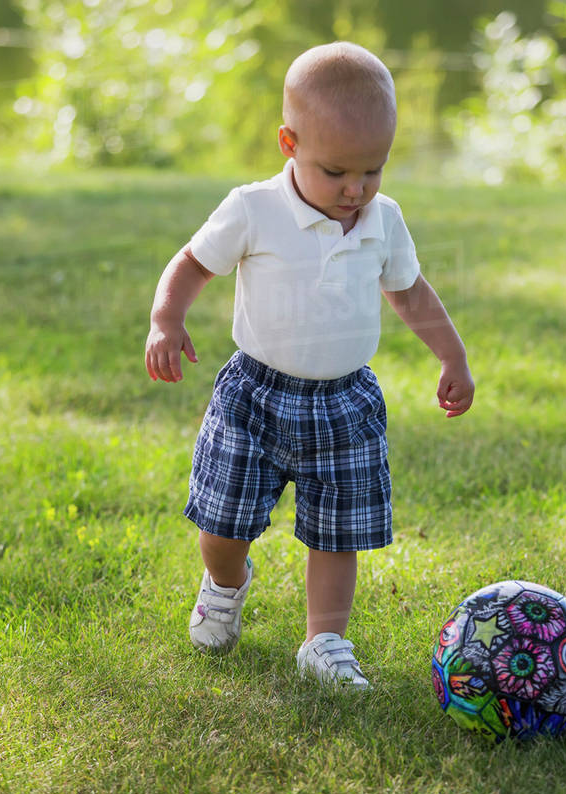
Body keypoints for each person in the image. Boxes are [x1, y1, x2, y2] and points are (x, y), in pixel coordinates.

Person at [144, 41, 474, 689]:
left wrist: (452, 355)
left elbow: (409, 291)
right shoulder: (253, 208)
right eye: (337, 172)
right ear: (288, 143)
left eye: (373, 171)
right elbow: (191, 263)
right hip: (255, 394)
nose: (356, 190)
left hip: (346, 401)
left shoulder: (383, 220)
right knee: (222, 520)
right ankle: (224, 582)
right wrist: (166, 318)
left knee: (337, 531)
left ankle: (324, 641)